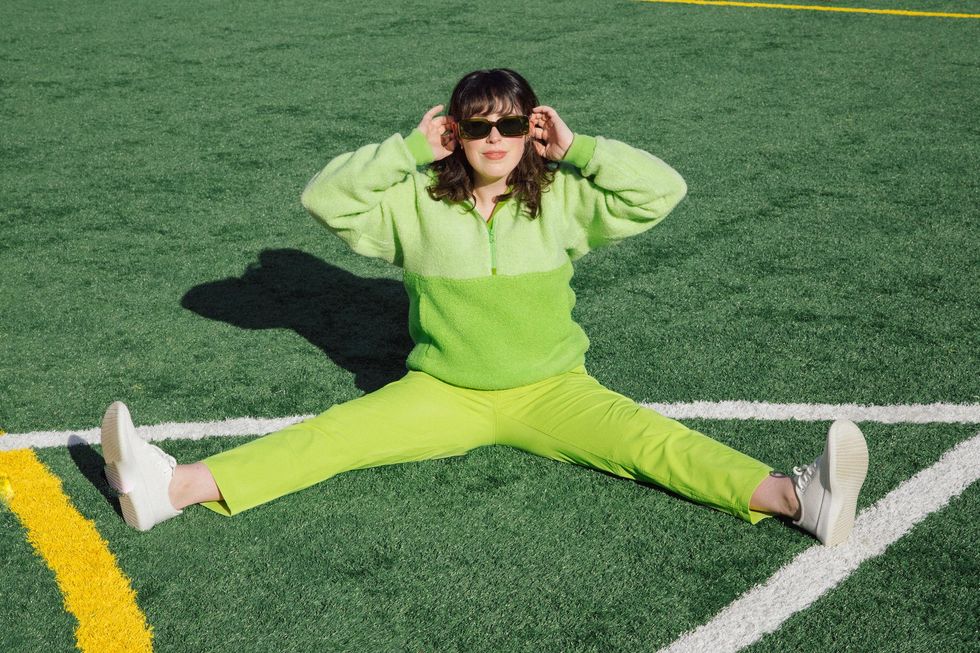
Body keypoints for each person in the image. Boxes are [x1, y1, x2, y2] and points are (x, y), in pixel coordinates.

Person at [100, 68, 868, 546]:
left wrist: (581, 148)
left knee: (653, 442)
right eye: (478, 125)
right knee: (327, 440)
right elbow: (322, 198)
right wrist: (407, 148)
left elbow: (662, 191)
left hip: (555, 388)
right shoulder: (414, 205)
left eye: (511, 123)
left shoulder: (562, 201)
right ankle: (171, 489)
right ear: (454, 132)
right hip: (443, 393)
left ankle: (798, 498)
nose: (494, 136)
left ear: (532, 130)